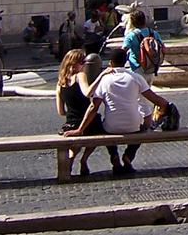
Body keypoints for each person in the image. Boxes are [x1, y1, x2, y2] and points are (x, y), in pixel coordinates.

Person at [63, 46, 169, 175]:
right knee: (143, 128)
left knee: (104, 127)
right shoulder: (136, 77)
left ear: (110, 63)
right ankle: (129, 155)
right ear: (125, 61)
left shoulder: (105, 80)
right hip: (133, 125)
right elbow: (156, 99)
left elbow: (93, 107)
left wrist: (80, 130)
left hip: (111, 127)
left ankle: (114, 157)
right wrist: (166, 108)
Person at [56, 49, 111, 177]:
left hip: (71, 124)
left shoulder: (60, 83)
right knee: (101, 130)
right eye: (83, 62)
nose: (85, 64)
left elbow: (61, 112)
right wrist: (101, 76)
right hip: (88, 123)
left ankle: (70, 161)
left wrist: (72, 112)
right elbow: (87, 93)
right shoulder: (80, 76)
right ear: (75, 63)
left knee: (74, 148)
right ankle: (84, 159)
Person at [122, 9, 164, 83]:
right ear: (144, 20)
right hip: (151, 67)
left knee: (137, 90)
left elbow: (122, 51)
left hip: (136, 68)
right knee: (148, 88)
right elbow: (163, 48)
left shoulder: (131, 36)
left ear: (132, 22)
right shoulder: (154, 33)